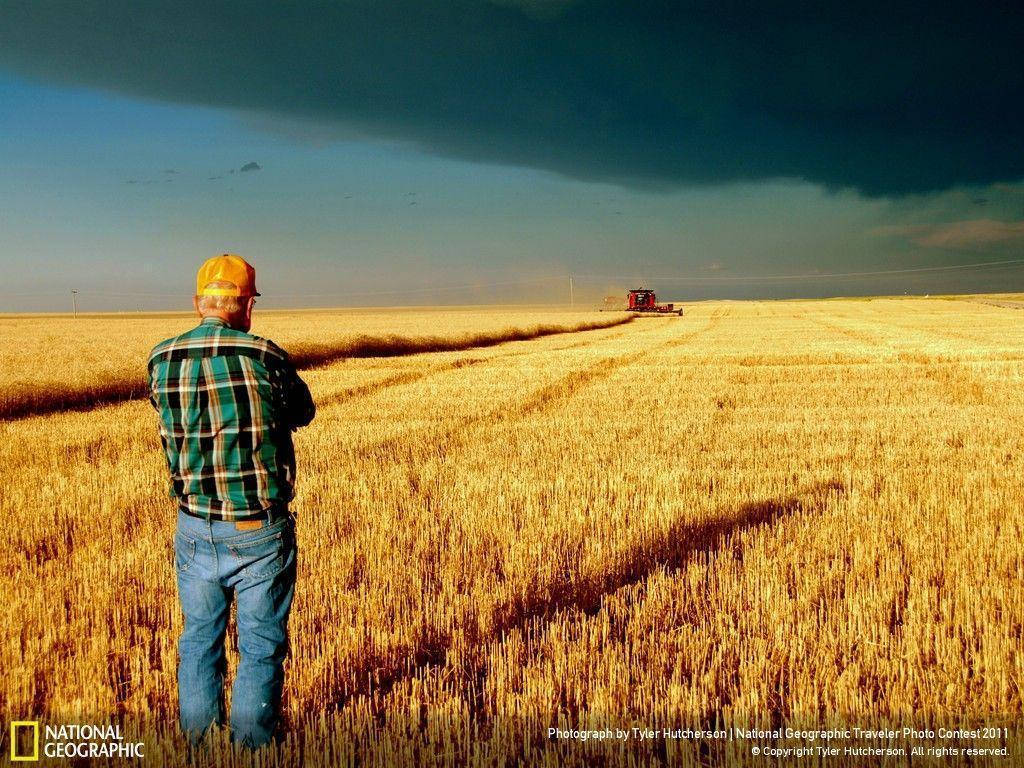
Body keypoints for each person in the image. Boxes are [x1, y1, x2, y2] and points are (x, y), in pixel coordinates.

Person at [147, 253, 315, 748]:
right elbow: (303, 412)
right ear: (245, 305)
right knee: (260, 646)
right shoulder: (265, 355)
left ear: (198, 302)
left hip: (194, 527)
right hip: (258, 528)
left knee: (198, 639)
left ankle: (197, 746)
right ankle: (252, 747)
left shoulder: (161, 359)